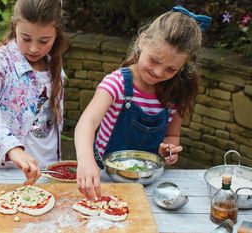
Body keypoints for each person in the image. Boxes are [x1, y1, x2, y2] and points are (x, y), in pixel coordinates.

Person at [74, 5, 212, 200]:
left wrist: (169, 151)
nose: (158, 72)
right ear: (142, 40)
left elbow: (172, 135)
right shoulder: (117, 84)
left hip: (148, 183)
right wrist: (85, 160)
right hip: (103, 178)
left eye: (170, 69)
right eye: (154, 61)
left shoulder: (175, 94)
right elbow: (86, 123)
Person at [0, 0, 68, 185]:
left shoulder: (53, 64)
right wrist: (11, 147)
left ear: (57, 34)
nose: (34, 48)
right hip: (0, 172)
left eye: (44, 41)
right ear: (14, 26)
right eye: (26, 38)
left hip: (46, 172)